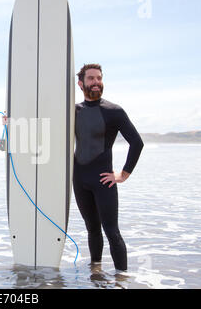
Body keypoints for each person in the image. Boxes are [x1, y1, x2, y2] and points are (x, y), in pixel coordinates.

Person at [73, 63, 144, 271]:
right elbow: (45, 126)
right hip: (80, 180)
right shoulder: (72, 111)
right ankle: (96, 273)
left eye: (99, 78)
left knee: (111, 231)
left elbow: (137, 143)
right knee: (92, 229)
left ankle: (121, 280)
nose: (96, 82)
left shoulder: (114, 111)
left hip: (103, 180)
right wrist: (10, 122)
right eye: (91, 79)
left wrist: (123, 174)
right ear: (81, 83)